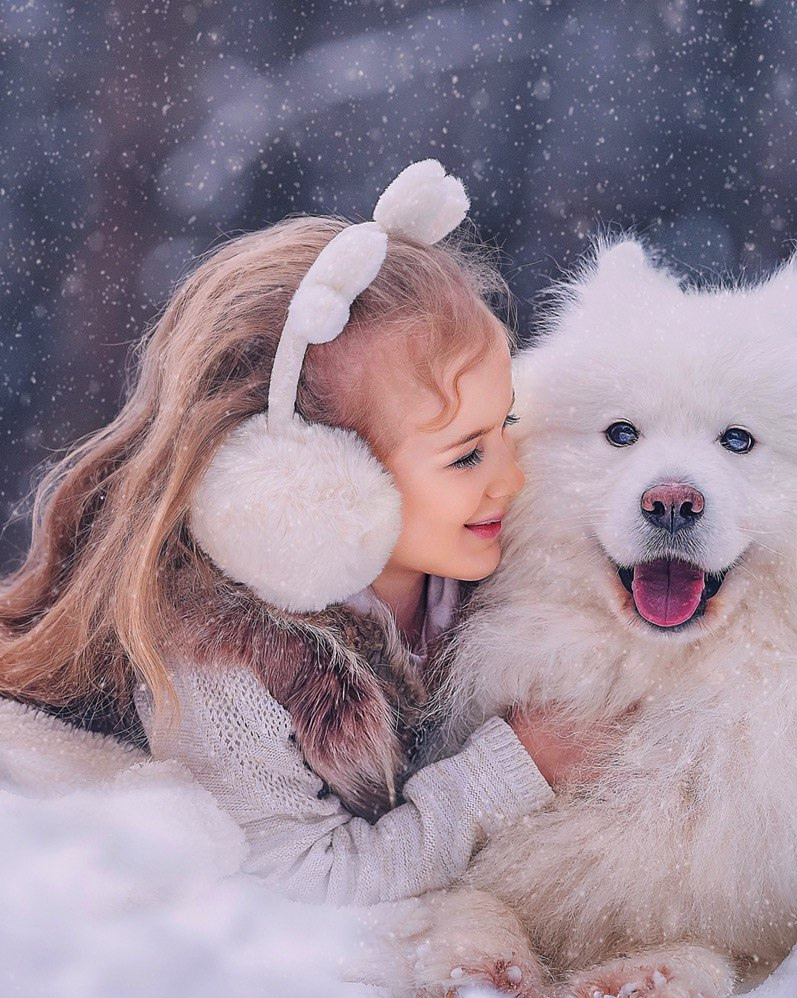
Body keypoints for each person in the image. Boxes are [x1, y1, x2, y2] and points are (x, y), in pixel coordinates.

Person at [0, 160, 598, 906]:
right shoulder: (222, 662)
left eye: (504, 424)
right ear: (307, 482)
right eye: (466, 454)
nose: (510, 478)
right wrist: (509, 771)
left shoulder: (488, 560)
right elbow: (299, 886)